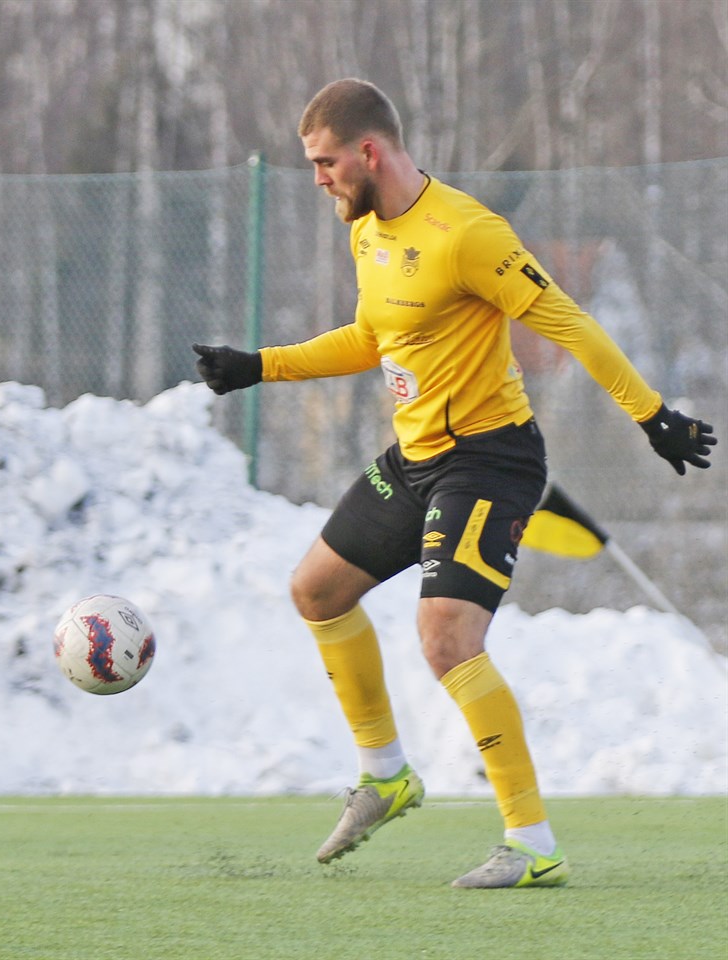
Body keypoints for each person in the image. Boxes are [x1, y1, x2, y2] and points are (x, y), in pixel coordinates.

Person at [193, 79, 716, 889]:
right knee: (317, 591)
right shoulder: (368, 231)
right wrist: (260, 366)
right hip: (417, 459)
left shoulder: (469, 235)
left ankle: (532, 843)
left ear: (369, 151)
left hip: (491, 461)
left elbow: (569, 323)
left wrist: (653, 416)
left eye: (325, 162)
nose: (319, 179)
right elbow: (374, 337)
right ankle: (385, 777)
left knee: (446, 638)